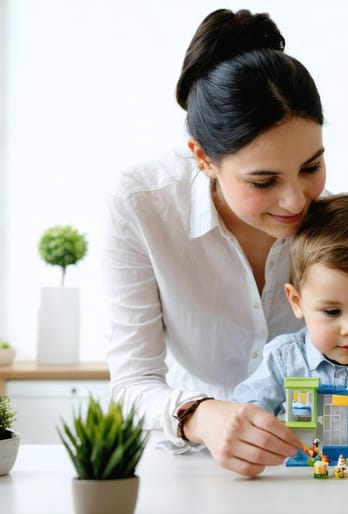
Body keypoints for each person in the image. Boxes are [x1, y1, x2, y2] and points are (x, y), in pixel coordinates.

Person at [104, 8, 327, 477]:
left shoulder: (333, 220)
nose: (295, 200)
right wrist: (199, 415)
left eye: (310, 167)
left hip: (313, 465)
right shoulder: (144, 205)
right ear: (204, 159)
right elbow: (132, 383)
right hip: (188, 468)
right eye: (264, 181)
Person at [232, 193, 348, 425]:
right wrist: (259, 423)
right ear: (297, 301)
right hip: (309, 459)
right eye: (332, 312)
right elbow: (248, 407)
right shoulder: (284, 359)